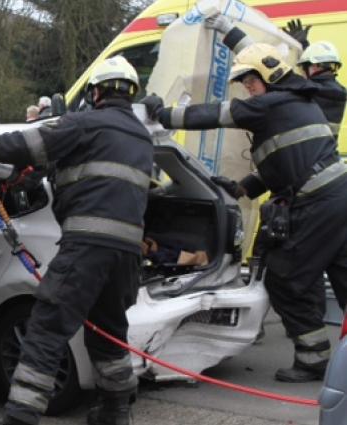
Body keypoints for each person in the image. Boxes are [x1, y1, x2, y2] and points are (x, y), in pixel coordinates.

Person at [0, 56, 151, 425]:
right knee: (109, 331)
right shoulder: (141, 136)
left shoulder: (86, 123)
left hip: (87, 246)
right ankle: (116, 409)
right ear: (129, 94)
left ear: (95, 92)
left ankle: (20, 417)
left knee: (45, 328)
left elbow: (30, 142)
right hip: (127, 255)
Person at [142, 43, 347, 383]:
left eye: (251, 81)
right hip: (337, 197)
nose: (248, 89)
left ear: (268, 74)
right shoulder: (297, 102)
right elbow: (286, 163)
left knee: (284, 278)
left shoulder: (270, 104)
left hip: (318, 203)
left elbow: (212, 115)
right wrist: (241, 188)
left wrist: (161, 115)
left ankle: (314, 358)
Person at [205, 15, 345, 139]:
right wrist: (303, 47)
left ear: (316, 67)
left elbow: (259, 59)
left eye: (304, 66)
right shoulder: (336, 93)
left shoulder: (309, 89)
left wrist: (229, 31)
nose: (301, 70)